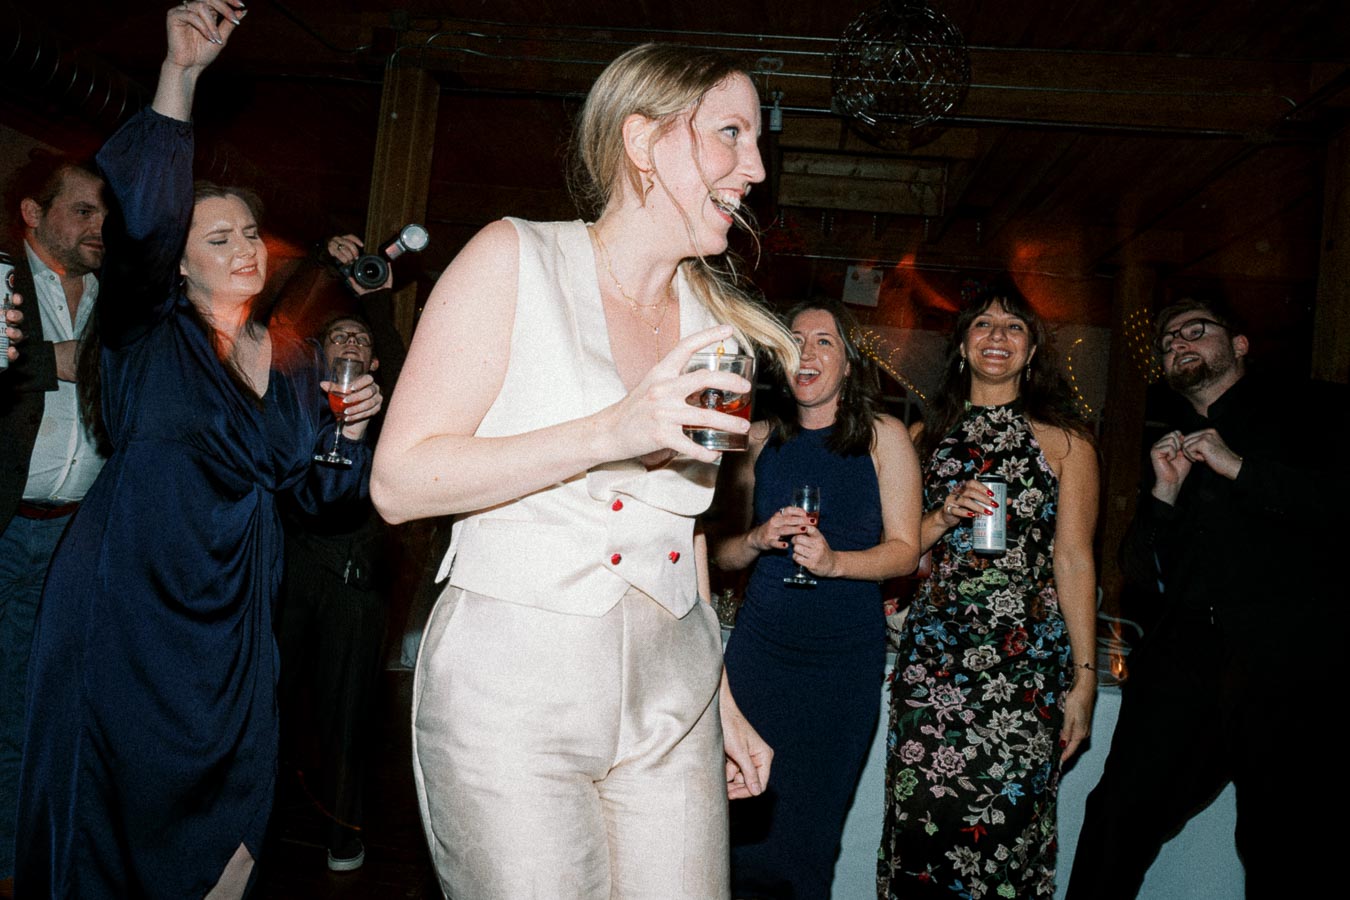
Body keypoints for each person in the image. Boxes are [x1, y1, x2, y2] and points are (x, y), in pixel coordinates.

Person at [371, 41, 799, 898]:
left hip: (672, 698)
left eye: (756, 142)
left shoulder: (716, 324)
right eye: (730, 134)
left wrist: (719, 698)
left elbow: (673, 537)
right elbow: (399, 483)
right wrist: (611, 427)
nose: (754, 167)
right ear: (642, 140)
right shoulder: (513, 258)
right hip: (511, 692)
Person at [15, 3, 381, 896]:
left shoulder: (291, 358)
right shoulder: (147, 330)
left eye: (251, 234)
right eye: (218, 239)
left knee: (233, 804)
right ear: (176, 263)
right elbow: (140, 214)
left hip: (234, 608)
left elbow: (319, 501)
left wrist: (352, 437)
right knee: (111, 803)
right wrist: (179, 75)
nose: (246, 249)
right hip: (130, 591)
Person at [1066, 293, 1340, 899]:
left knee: (1281, 842)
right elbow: (1140, 570)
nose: (1179, 344)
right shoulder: (1173, 446)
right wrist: (1161, 495)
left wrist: (1239, 467)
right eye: (1168, 342)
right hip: (1184, 662)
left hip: (1285, 665)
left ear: (1239, 344)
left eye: (1196, 331)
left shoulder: (1311, 411)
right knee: (1117, 819)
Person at [878, 280, 1099, 899]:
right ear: (961, 346)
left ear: (1031, 352)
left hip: (1023, 666)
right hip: (936, 664)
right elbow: (899, 549)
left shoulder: (1067, 441)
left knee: (1006, 832)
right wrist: (944, 514)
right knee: (922, 825)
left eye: (1014, 327)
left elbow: (1075, 560)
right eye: (982, 324)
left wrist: (1083, 681)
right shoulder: (923, 439)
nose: (997, 337)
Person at [711, 299, 923, 899]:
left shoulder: (883, 436)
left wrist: (834, 563)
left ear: (850, 364)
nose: (807, 352)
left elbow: (905, 551)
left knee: (807, 845)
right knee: (735, 835)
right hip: (759, 661)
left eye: (824, 341)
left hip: (840, 669)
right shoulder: (756, 439)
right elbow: (718, 555)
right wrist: (755, 538)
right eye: (794, 340)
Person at [276, 237, 402, 874]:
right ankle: (258, 819)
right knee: (271, 696)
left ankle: (344, 831)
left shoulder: (390, 410)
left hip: (356, 576)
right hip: (292, 569)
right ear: (318, 354)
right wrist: (326, 263)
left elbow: (398, 356)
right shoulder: (295, 400)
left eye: (361, 339)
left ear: (375, 360)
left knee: (348, 709)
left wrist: (373, 303)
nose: (350, 343)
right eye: (339, 337)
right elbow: (282, 323)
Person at [0, 152, 108, 886]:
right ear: (34, 215)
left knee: (36, 700)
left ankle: (21, 861)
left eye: (105, 213)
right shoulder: (5, 283)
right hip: (6, 526)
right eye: (83, 211)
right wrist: (54, 357)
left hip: (76, 534)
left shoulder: (113, 296)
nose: (100, 226)